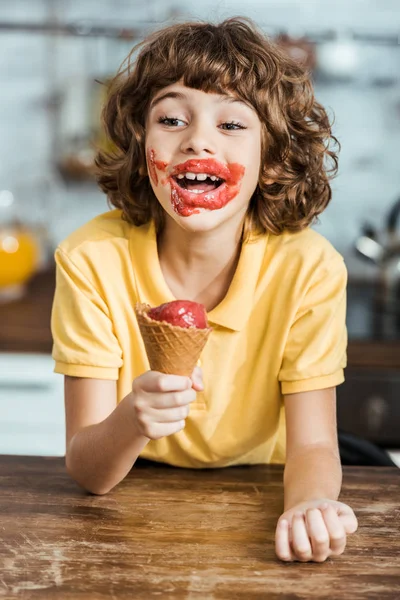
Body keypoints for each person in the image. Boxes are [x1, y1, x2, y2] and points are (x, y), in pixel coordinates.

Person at [51, 17, 358, 563]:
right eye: (171, 118)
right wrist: (131, 419)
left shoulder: (308, 269)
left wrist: (309, 506)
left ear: (271, 159)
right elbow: (87, 471)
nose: (198, 138)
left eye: (233, 125)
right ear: (143, 146)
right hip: (129, 503)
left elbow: (313, 446)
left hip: (262, 489)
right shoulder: (91, 260)